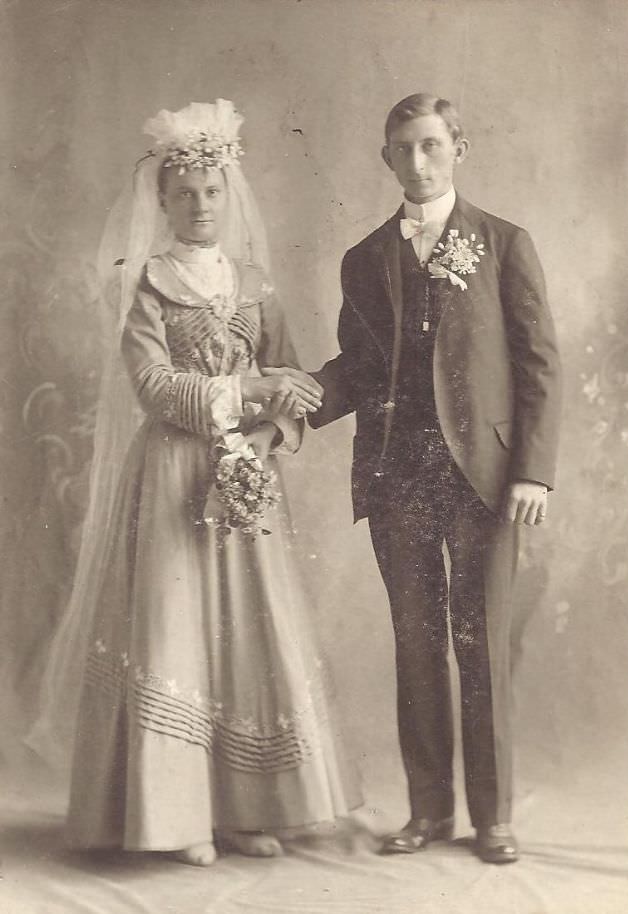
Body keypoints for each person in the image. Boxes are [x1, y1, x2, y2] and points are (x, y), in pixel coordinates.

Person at [32, 100, 360, 866]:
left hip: (244, 469)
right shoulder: (146, 283)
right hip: (174, 471)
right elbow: (151, 384)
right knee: (176, 623)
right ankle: (174, 816)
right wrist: (246, 392)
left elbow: (292, 380)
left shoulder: (255, 284)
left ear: (230, 191)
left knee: (246, 630)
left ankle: (246, 811)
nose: (201, 205)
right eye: (186, 192)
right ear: (163, 199)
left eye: (213, 189)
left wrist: (271, 425)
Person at [305, 93, 562, 863]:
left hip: (483, 479)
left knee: (478, 644)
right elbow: (355, 369)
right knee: (416, 647)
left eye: (430, 146)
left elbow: (539, 366)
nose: (417, 164)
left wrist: (535, 476)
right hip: (397, 478)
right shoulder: (364, 258)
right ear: (386, 159)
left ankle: (494, 819)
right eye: (402, 150)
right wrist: (287, 409)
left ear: (458, 147)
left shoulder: (506, 243)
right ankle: (427, 812)